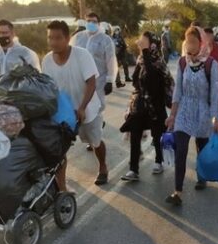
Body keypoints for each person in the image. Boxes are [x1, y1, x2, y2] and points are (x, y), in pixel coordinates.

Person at [164, 26, 218, 205]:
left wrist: (215, 118)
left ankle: (202, 175)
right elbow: (178, 91)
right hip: (185, 111)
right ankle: (178, 191)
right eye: (187, 41)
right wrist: (173, 115)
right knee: (181, 150)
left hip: (203, 111)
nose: (190, 45)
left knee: (201, 148)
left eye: (194, 42)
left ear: (201, 43)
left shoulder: (211, 64)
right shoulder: (183, 63)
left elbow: (215, 94)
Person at [42, 20, 102, 191]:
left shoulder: (82, 55)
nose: (54, 42)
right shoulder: (46, 60)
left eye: (58, 38)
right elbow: (47, 88)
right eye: (50, 38)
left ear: (67, 38)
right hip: (63, 113)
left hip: (86, 108)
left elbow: (91, 83)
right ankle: (62, 189)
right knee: (59, 151)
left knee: (95, 142)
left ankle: (102, 166)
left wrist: (82, 107)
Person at [70, 12, 117, 173]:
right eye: (88, 21)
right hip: (79, 84)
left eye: (94, 21)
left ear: (99, 23)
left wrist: (111, 79)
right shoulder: (78, 38)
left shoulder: (105, 40)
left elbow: (110, 60)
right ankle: (92, 136)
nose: (91, 23)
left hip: (98, 83)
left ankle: (101, 164)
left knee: (96, 112)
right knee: (82, 116)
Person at [121, 31, 169, 181]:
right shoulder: (141, 59)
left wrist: (146, 52)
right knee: (135, 134)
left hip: (155, 104)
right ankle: (133, 169)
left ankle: (159, 161)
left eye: (144, 40)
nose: (140, 41)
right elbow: (136, 81)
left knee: (157, 134)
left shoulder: (158, 60)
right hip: (140, 104)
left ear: (152, 43)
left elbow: (152, 81)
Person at [0, 19, 40, 100]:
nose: (1, 36)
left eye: (4, 33)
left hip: (19, 101)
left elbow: (37, 79)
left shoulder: (26, 54)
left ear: (12, 34)